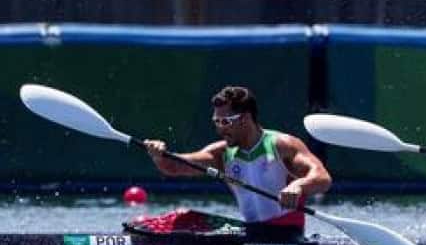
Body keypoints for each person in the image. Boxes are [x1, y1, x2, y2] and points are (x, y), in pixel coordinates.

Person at [139, 86, 331, 236]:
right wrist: (159, 154)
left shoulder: (282, 146)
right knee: (182, 219)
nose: (219, 129)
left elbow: (322, 177)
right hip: (250, 233)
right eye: (216, 122)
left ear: (245, 119)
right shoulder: (222, 154)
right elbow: (174, 167)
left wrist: (298, 186)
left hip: (286, 235)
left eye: (225, 122)